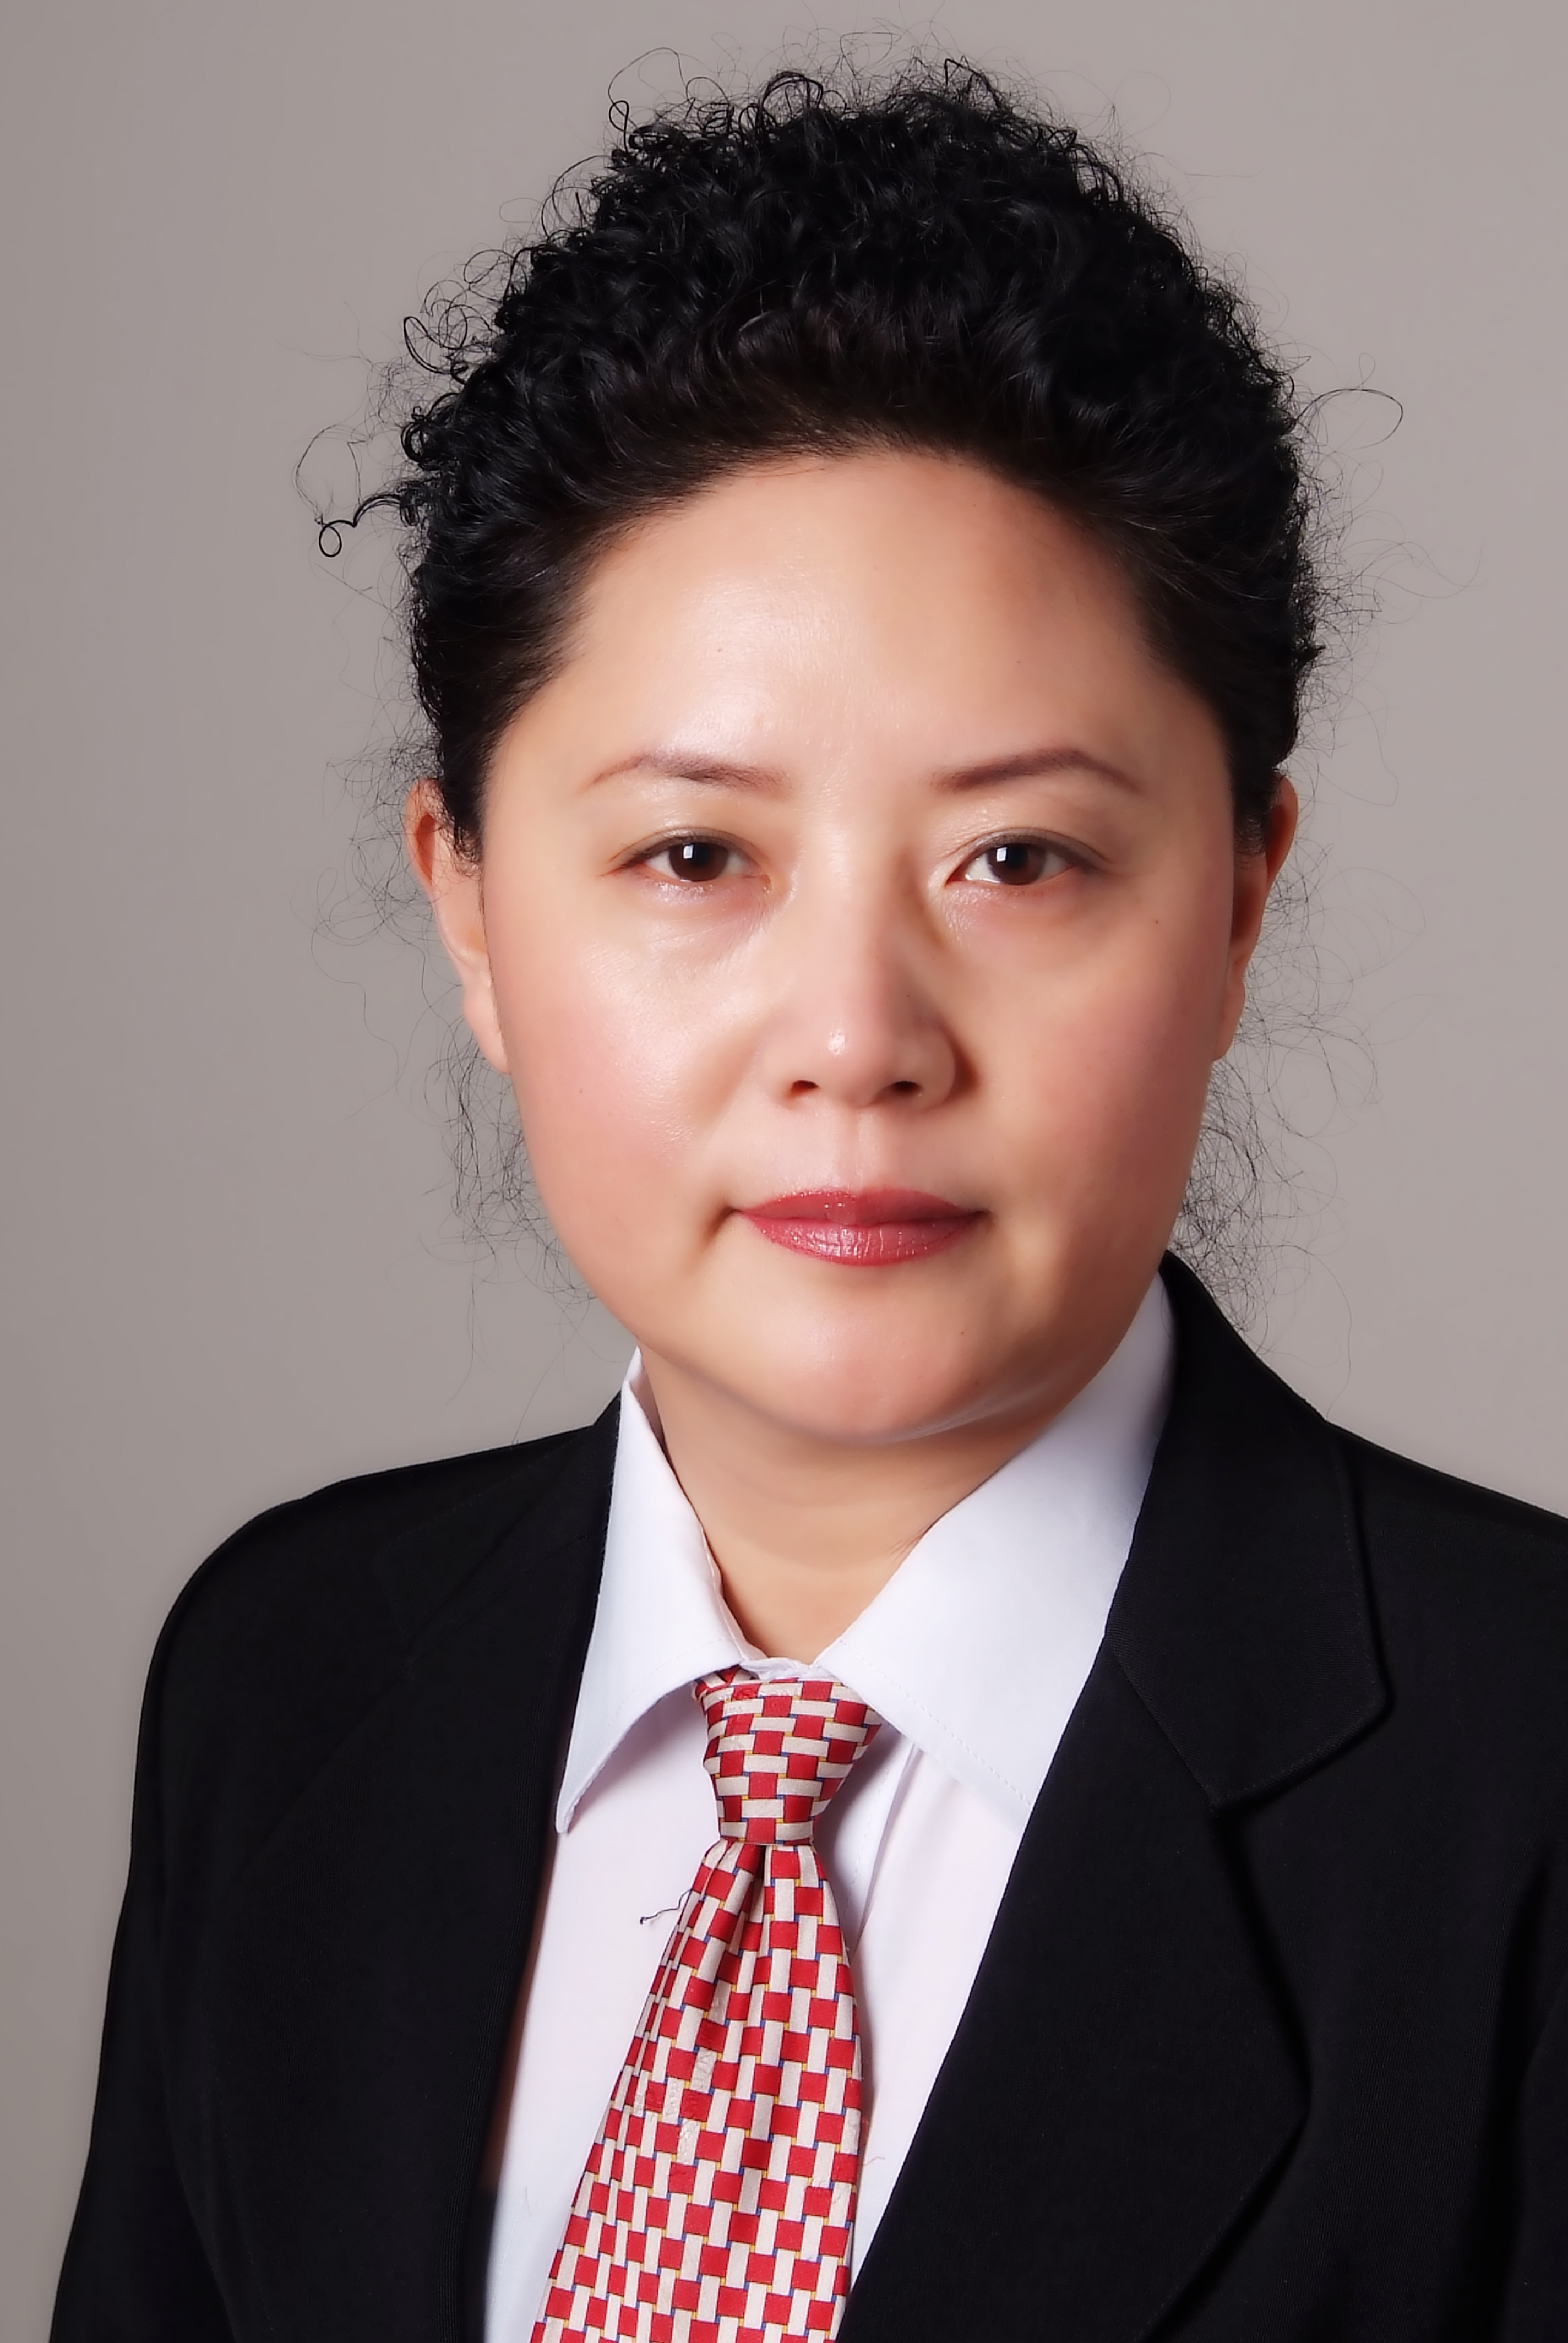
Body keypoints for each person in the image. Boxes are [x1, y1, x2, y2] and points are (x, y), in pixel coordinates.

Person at [52, 65, 1568, 2343]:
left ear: (1242, 896)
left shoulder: (1520, 1787)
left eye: (1019, 859)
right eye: (695, 855)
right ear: (467, 904)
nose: (857, 1038)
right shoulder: (285, 1682)